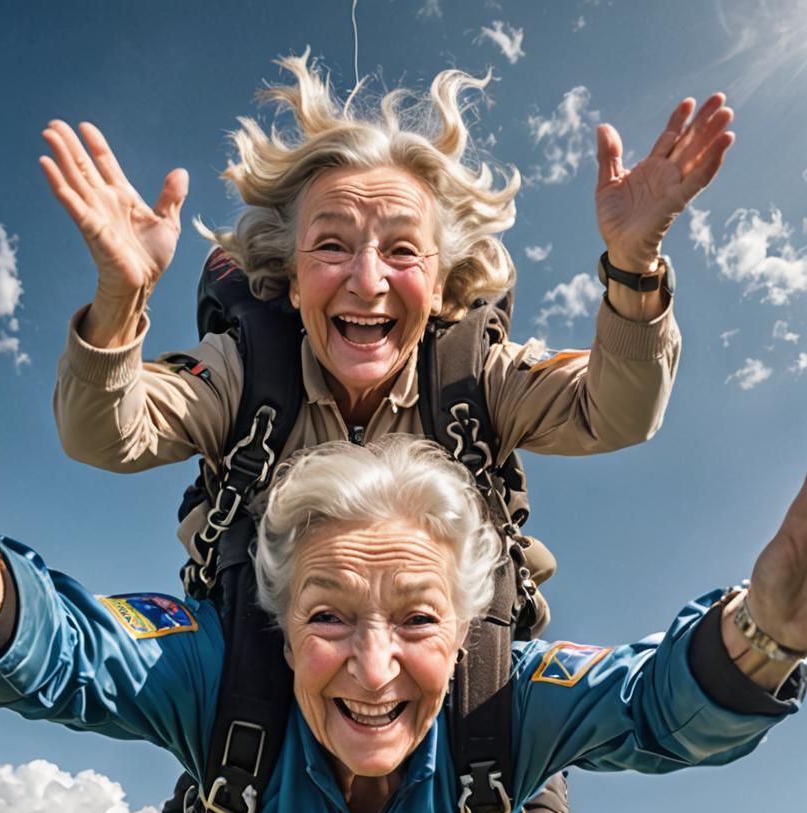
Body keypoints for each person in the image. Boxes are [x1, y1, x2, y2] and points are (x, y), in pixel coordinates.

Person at [0, 352, 803, 813]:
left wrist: (769, 630)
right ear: (279, 620)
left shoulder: (502, 700)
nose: (373, 671)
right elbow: (75, 656)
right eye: (330, 617)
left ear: (463, 631)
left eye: (417, 622)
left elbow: (652, 703)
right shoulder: (225, 672)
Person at [43, 53, 733, 600]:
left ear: (439, 289)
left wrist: (635, 267)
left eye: (403, 250)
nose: (367, 281)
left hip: (457, 709)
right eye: (333, 245)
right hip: (256, 693)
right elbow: (102, 433)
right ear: (287, 276)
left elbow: (617, 413)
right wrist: (119, 298)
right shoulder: (242, 371)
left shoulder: (477, 378)